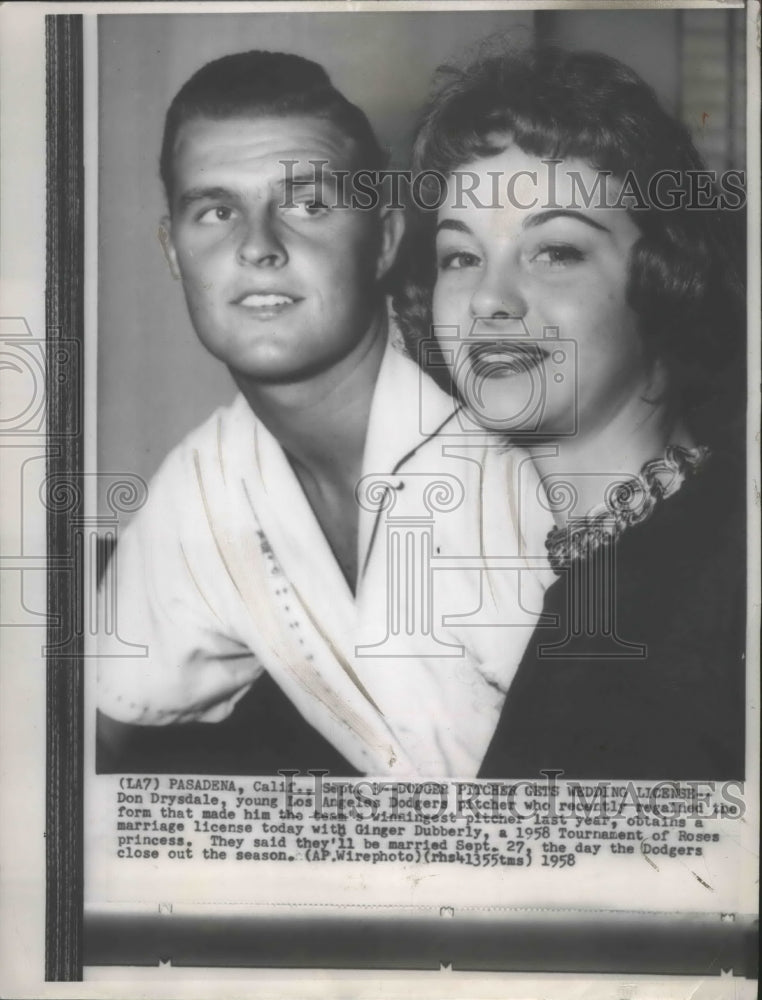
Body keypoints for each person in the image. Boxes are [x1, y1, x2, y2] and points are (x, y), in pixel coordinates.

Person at [97, 50, 552, 777]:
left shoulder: (521, 440)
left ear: (386, 240)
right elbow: (91, 729)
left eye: (308, 204)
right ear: (175, 254)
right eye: (216, 211)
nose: (257, 247)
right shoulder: (206, 485)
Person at [394, 44, 747, 779]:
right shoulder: (519, 562)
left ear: (665, 276)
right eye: (460, 257)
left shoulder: (712, 591)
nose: (490, 300)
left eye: (553, 251)